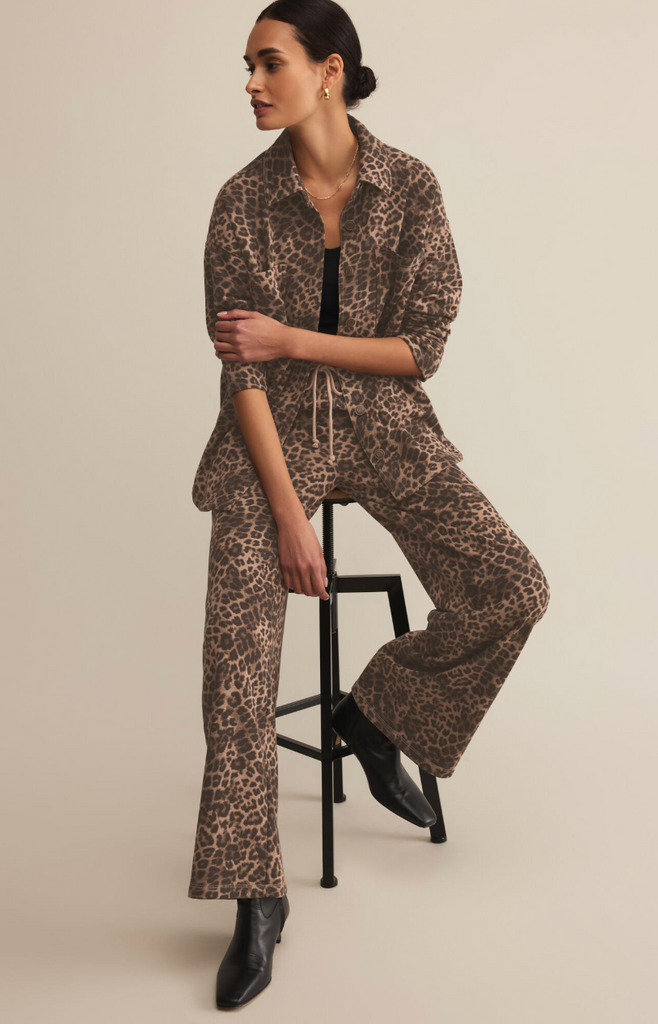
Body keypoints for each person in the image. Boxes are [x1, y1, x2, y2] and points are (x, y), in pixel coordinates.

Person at [188, 0, 551, 1010]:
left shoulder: (410, 188)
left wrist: (293, 337)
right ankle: (256, 894)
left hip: (389, 425)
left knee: (512, 585)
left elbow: (418, 348)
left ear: (330, 70)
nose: (252, 84)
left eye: (270, 63)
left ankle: (373, 711)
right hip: (270, 443)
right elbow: (240, 379)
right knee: (234, 668)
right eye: (247, 66)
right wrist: (289, 516)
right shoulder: (239, 203)